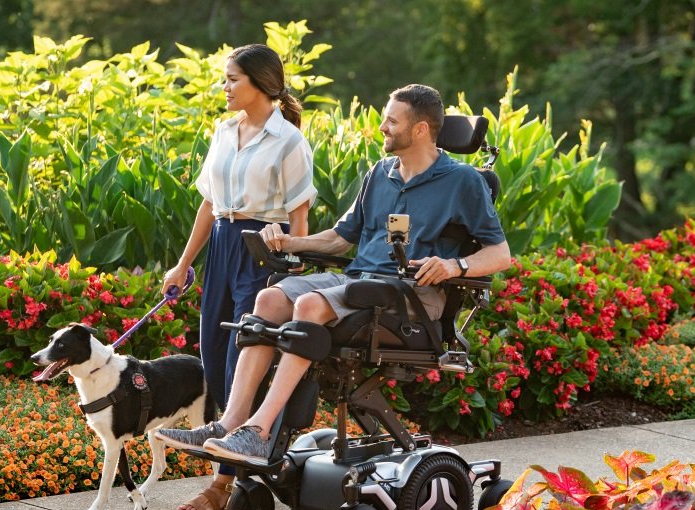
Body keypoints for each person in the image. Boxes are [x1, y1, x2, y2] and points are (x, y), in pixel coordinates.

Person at [155, 83, 510, 466]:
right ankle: (230, 423)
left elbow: (500, 254)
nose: (382, 128)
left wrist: (455, 266)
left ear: (421, 129)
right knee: (269, 298)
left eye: (392, 122)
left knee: (310, 305)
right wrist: (290, 242)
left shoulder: (464, 182)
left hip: (409, 296)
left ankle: (258, 432)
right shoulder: (380, 173)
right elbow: (341, 239)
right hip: (359, 283)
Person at [157, 43, 316, 510]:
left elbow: (300, 219)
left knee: (237, 362)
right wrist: (183, 265)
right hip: (223, 249)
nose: (223, 87)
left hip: (261, 251)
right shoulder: (224, 130)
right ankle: (230, 462)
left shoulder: (289, 141)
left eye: (232, 79)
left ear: (261, 84)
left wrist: (289, 274)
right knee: (213, 355)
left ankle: (223, 484)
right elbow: (209, 204)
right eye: (224, 78)